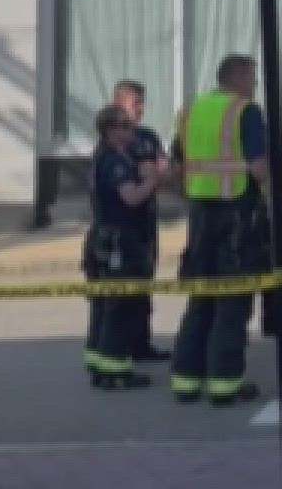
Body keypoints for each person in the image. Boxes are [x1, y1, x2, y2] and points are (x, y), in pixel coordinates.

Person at [168, 55, 272, 406]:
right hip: (236, 216)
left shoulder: (190, 112)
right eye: (253, 79)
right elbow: (259, 169)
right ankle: (225, 382)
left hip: (199, 217)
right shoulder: (246, 111)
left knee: (201, 297)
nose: (255, 86)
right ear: (239, 79)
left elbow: (177, 166)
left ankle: (185, 379)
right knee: (233, 300)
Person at [82, 105, 161, 390]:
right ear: (110, 130)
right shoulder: (114, 161)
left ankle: (100, 362)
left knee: (105, 305)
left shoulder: (109, 157)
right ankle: (116, 370)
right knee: (120, 306)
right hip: (119, 240)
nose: (131, 130)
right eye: (124, 126)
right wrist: (151, 179)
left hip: (104, 238)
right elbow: (131, 198)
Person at [112, 80, 171, 363]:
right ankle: (116, 349)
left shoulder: (148, 136)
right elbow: (131, 186)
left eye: (142, 102)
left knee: (145, 282)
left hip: (146, 221)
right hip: (121, 226)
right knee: (121, 290)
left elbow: (164, 171)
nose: (141, 109)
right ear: (119, 104)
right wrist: (149, 176)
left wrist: (155, 176)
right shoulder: (113, 142)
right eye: (136, 102)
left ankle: (141, 343)